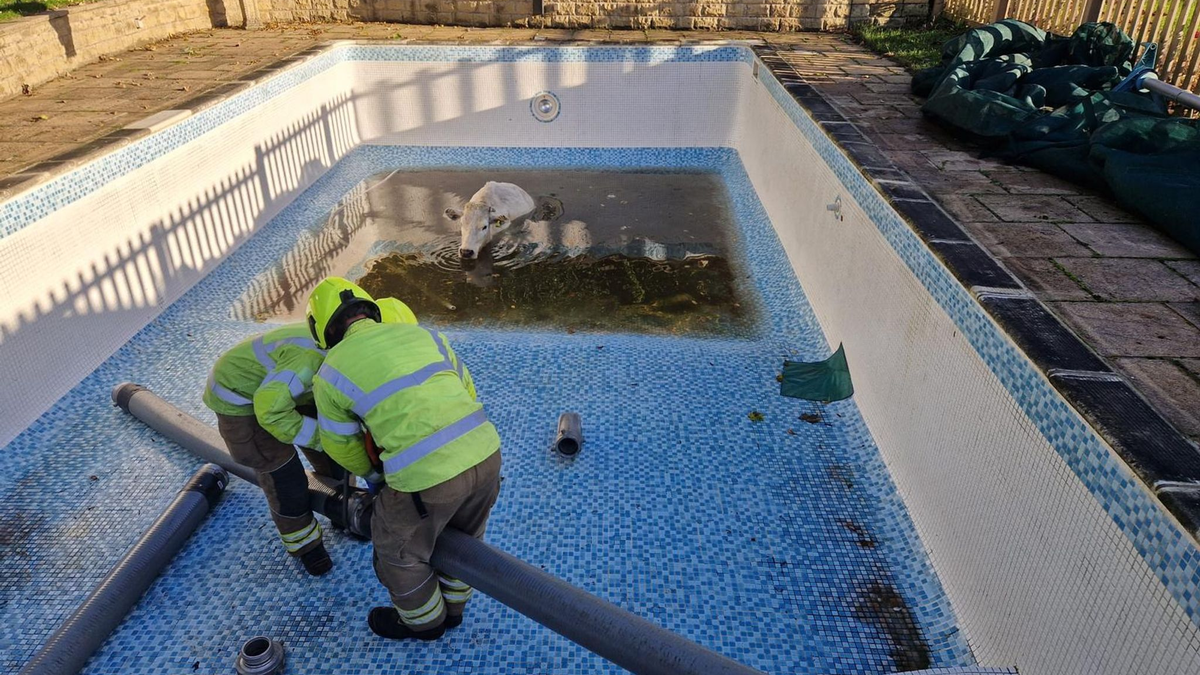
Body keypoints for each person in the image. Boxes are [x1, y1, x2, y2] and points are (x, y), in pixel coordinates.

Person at [307, 277, 501, 641]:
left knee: (398, 551)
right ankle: (455, 611)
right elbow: (467, 391)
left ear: (321, 328)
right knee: (467, 536)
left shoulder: (330, 370)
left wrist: (376, 478)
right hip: (487, 453)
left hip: (424, 477)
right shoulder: (427, 336)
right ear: (371, 310)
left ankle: (424, 623)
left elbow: (339, 446)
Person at [203, 323, 337, 575]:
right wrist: (324, 439)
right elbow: (269, 409)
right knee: (284, 477)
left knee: (335, 457)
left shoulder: (347, 349)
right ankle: (306, 545)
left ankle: (342, 510)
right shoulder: (310, 357)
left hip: (291, 386)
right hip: (244, 399)